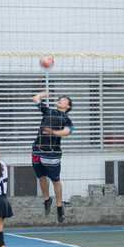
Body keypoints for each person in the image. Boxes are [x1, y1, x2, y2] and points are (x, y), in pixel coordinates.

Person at [31, 91, 74, 223]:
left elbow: (67, 132)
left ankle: (59, 206)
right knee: (41, 177)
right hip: (37, 150)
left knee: (55, 180)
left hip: (52, 153)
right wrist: (45, 93)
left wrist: (53, 132)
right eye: (60, 98)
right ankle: (47, 199)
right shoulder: (47, 111)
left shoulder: (66, 119)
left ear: (68, 106)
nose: (61, 99)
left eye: (64, 99)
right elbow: (35, 98)